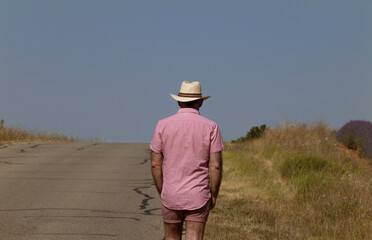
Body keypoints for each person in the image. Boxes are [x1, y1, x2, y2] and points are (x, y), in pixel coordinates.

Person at [150, 81, 224, 240]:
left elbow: (155, 164)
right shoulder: (211, 127)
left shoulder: (162, 125)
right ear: (201, 102)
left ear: (178, 101)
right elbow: (216, 166)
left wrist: (163, 191)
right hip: (198, 194)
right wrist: (214, 194)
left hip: (171, 194)